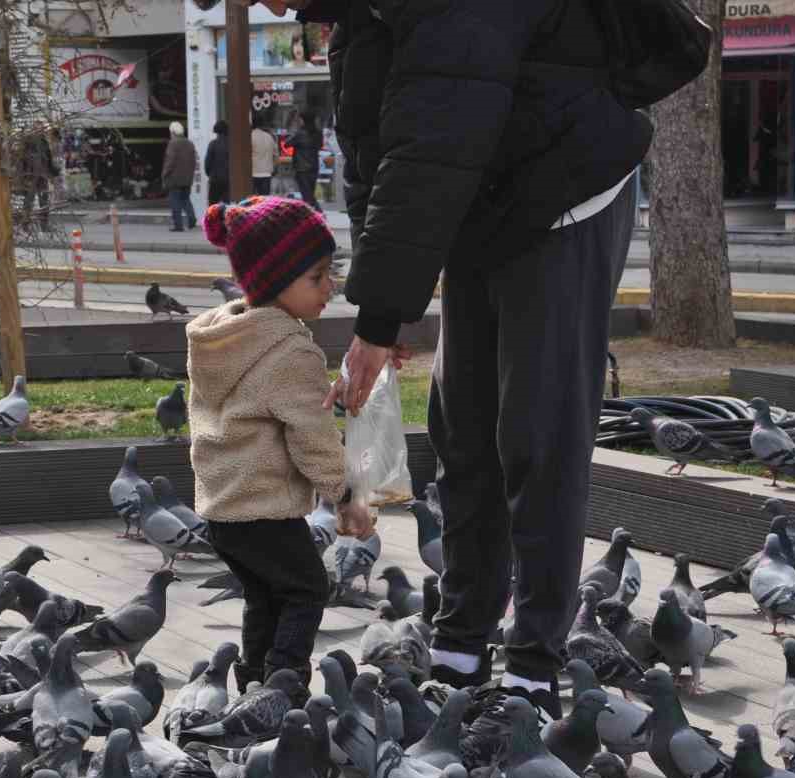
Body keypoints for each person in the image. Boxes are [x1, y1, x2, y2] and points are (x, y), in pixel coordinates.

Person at [268, 0, 648, 712]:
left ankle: (536, 655)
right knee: (463, 424)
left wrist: (380, 320)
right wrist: (391, 294)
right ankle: (463, 637)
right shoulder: (359, 15)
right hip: (483, 194)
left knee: (538, 428)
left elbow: (430, 147)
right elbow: (376, 152)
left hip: (562, 186)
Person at [187, 195, 373, 690]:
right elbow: (313, 439)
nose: (328, 288)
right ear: (273, 280)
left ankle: (252, 683)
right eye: (315, 277)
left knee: (265, 596)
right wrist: (347, 497)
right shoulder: (289, 350)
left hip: (222, 511)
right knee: (309, 589)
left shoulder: (222, 340)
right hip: (264, 508)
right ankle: (282, 687)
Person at [161, 121, 199, 231]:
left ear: (172, 132)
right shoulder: (189, 143)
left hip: (174, 179)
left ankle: (178, 225)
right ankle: (191, 219)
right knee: (186, 200)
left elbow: (170, 162)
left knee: (175, 202)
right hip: (187, 179)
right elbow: (193, 162)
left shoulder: (173, 143)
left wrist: (164, 174)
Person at [19, 129, 57, 227]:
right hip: (37, 175)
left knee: (30, 201)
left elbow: (21, 162)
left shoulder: (28, 145)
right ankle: (40, 224)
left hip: (33, 176)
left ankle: (27, 224)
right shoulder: (38, 143)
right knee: (38, 200)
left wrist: (22, 176)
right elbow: (49, 160)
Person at [290, 111, 323, 213]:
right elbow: (320, 146)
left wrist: (294, 129)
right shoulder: (318, 133)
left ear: (302, 120)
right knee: (309, 194)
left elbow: (287, 143)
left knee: (307, 196)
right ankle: (314, 215)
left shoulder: (300, 134)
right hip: (314, 167)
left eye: (299, 119)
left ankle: (318, 214)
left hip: (302, 168)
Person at [204, 120, 230, 206]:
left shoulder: (213, 144)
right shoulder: (230, 144)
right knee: (226, 205)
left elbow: (207, 162)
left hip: (215, 179)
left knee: (213, 205)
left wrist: (209, 173)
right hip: (227, 179)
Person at [250, 114, 277, 196]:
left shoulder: (249, 136)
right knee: (265, 200)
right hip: (267, 173)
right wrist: (273, 168)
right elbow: (275, 155)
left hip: (253, 172)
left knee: (253, 200)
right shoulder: (269, 137)